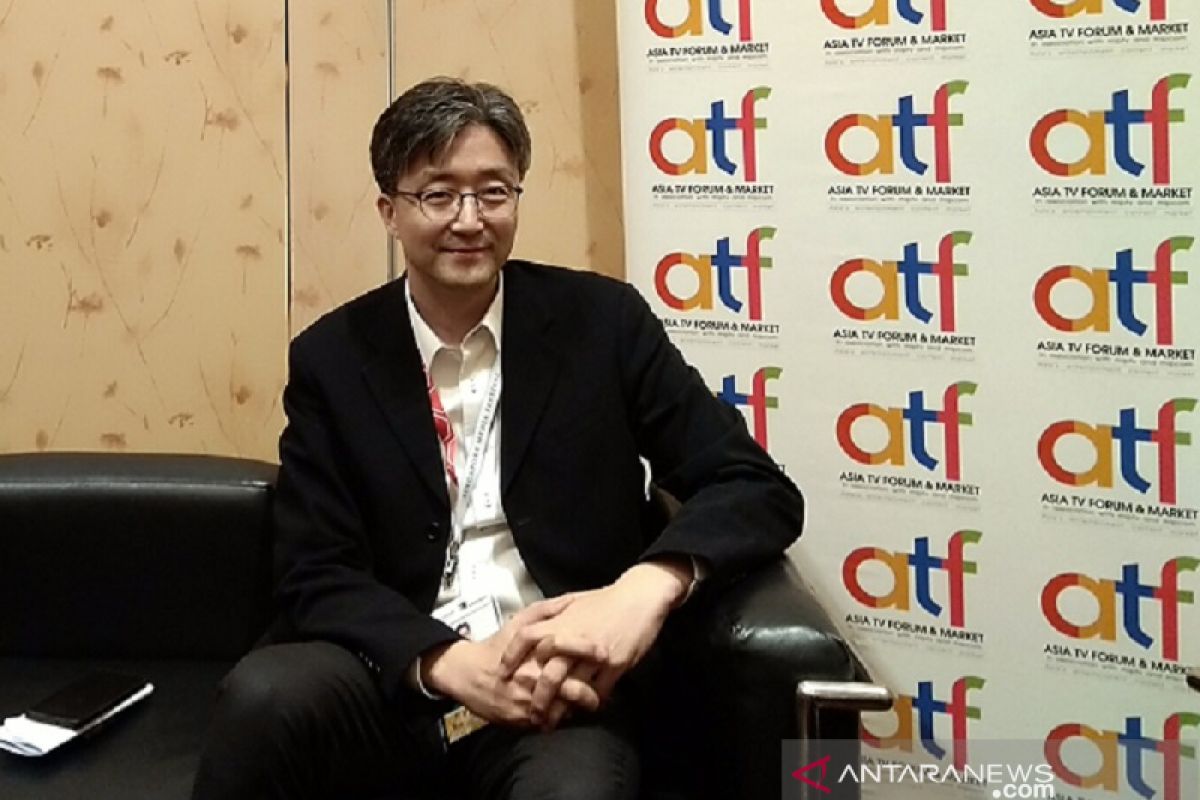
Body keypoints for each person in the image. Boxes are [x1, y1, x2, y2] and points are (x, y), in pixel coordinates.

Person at [192, 76, 803, 800]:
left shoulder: (602, 323)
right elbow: (313, 567)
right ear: (390, 211)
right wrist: (444, 661)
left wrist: (642, 590)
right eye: (438, 193)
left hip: (559, 684)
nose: (469, 218)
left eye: (493, 191)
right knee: (266, 695)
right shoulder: (334, 357)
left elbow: (752, 486)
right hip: (397, 675)